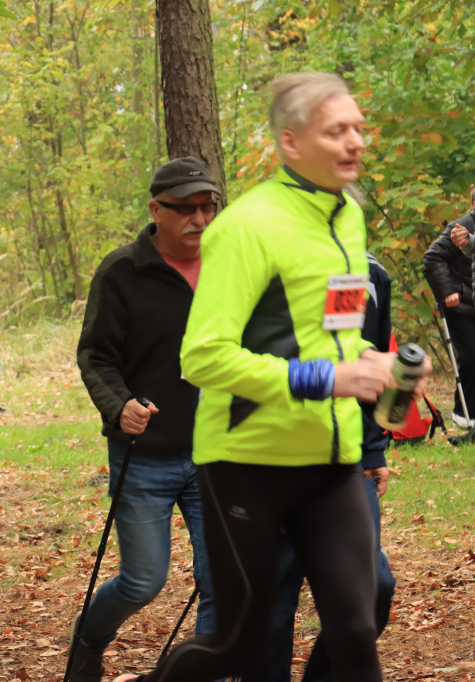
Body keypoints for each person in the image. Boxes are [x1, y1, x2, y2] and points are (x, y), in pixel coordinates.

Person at [113, 72, 429, 682]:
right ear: (291, 142)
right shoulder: (246, 227)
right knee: (237, 644)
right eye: (337, 130)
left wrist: (376, 364)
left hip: (330, 462)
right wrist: (324, 379)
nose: (356, 141)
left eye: (359, 128)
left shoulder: (347, 219)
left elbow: (330, 330)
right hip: (247, 465)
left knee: (358, 627)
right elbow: (202, 358)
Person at [70, 157, 221, 681]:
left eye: (208, 207)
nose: (200, 220)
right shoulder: (122, 270)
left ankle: (202, 672)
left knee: (219, 579)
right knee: (142, 580)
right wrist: (120, 406)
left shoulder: (229, 266)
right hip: (145, 455)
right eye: (186, 210)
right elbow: (95, 355)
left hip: (216, 451)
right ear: (156, 210)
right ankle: (89, 640)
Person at [244, 252, 397, 682]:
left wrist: (373, 451)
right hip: (271, 459)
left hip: (342, 464)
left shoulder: (369, 275)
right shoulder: (264, 264)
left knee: (373, 588)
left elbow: (353, 353)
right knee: (271, 609)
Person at [424, 187, 475, 427]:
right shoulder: (460, 228)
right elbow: (432, 257)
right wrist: (448, 291)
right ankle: (463, 415)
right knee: (472, 356)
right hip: (461, 305)